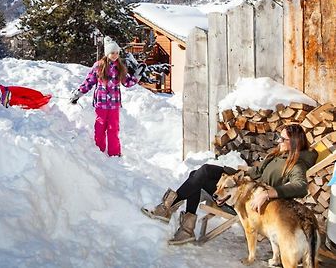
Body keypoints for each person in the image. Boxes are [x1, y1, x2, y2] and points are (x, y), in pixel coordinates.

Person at [141, 123, 317, 245]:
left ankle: (172, 213)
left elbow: (301, 186)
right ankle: (181, 223)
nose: (278, 141)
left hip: (246, 202)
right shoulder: (278, 155)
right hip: (244, 186)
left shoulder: (296, 164)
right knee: (200, 173)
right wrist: (232, 173)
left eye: (282, 139)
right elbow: (255, 173)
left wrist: (268, 193)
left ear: (293, 142)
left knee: (198, 178)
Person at [69, 36, 145, 157]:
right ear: (107, 53)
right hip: (101, 103)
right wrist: (78, 94)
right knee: (100, 128)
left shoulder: (120, 67)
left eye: (117, 53)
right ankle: (99, 152)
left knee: (113, 129)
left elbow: (127, 83)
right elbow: (88, 82)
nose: (115, 55)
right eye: (112, 53)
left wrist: (137, 76)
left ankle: (114, 153)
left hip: (114, 104)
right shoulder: (98, 66)